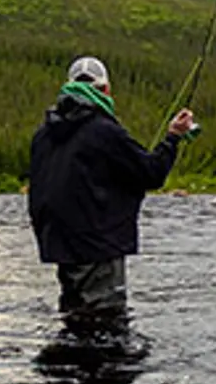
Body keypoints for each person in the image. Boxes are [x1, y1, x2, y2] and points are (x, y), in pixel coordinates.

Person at [29, 56, 196, 329]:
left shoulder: (43, 134)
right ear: (105, 90)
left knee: (74, 320)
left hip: (60, 247)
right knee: (104, 324)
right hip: (98, 247)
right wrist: (173, 137)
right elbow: (151, 174)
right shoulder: (104, 131)